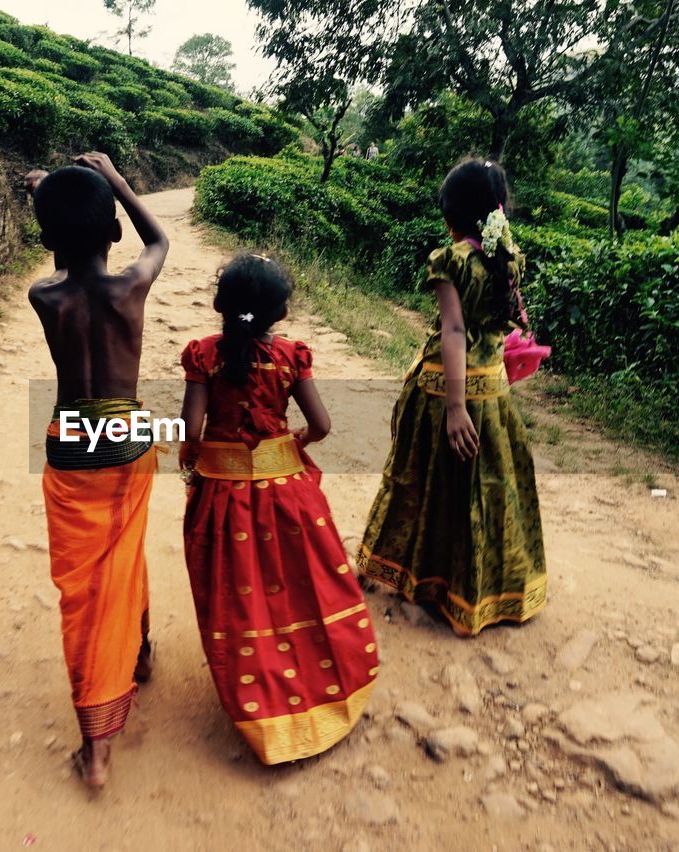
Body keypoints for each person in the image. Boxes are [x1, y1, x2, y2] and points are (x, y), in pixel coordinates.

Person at [178, 254, 377, 765]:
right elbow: (323, 425)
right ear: (281, 314)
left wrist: (191, 462)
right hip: (287, 495)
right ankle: (323, 688)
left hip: (225, 497)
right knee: (302, 587)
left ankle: (258, 697)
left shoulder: (203, 357)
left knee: (238, 594)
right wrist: (293, 444)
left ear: (221, 305)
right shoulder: (292, 357)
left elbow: (192, 432)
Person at [357, 157, 546, 636]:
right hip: (494, 392)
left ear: (451, 214)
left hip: (448, 392)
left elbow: (454, 331)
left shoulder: (452, 260)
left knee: (424, 480)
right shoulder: (508, 256)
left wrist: (456, 407)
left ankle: (423, 578)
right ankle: (482, 592)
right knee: (485, 490)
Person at [28, 152, 170, 789]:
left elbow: (66, 259)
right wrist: (113, 181)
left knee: (86, 593)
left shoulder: (43, 297)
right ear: (114, 232)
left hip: (71, 447)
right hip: (127, 443)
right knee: (128, 552)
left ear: (48, 240)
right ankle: (137, 653)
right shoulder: (130, 288)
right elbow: (160, 237)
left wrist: (51, 197)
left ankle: (96, 749)